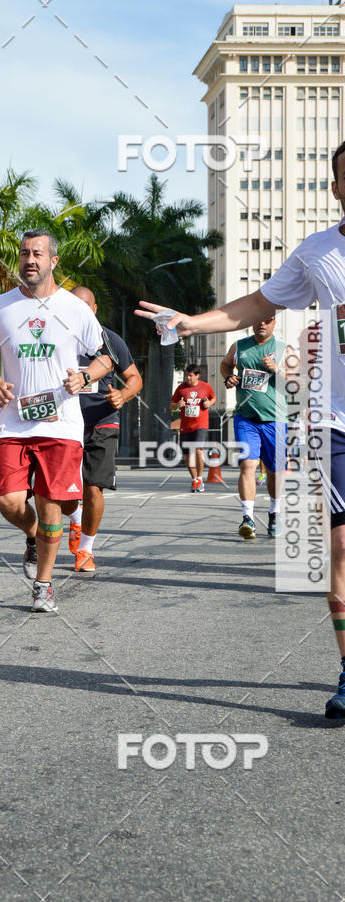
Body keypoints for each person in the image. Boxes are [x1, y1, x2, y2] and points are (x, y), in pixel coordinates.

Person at [135, 139, 345, 719]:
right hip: (337, 421)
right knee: (342, 548)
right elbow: (255, 303)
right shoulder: (318, 252)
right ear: (336, 188)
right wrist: (189, 323)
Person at [0, 230, 112, 612]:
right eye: (24, 254)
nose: (30, 260)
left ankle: (43, 586)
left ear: (53, 261)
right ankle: (34, 533)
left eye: (37, 254)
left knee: (50, 502)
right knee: (8, 501)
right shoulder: (1, 307)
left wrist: (85, 376)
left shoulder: (74, 308)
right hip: (14, 422)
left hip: (61, 424)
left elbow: (105, 358)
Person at [67, 286, 142, 572]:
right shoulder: (58, 337)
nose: (80, 312)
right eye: (74, 306)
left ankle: (86, 549)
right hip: (64, 423)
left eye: (85, 307)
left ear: (94, 309)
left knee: (93, 487)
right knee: (60, 493)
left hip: (102, 420)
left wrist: (123, 395)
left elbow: (134, 378)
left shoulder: (109, 339)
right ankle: (76, 517)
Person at [220, 317, 286, 539]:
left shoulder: (284, 348)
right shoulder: (239, 346)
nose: (262, 324)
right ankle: (247, 518)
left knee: (275, 471)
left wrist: (277, 370)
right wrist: (229, 377)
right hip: (245, 417)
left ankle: (274, 512)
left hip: (275, 420)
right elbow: (225, 365)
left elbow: (297, 382)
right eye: (258, 320)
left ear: (274, 323)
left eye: (268, 320)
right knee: (248, 465)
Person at [170, 364, 215, 494]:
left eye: (190, 375)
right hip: (185, 426)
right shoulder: (181, 388)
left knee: (198, 451)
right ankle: (194, 479)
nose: (188, 378)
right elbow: (172, 405)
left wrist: (209, 403)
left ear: (197, 375)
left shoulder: (205, 387)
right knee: (188, 455)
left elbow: (213, 398)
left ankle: (200, 478)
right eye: (187, 375)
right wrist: (177, 405)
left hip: (200, 425)